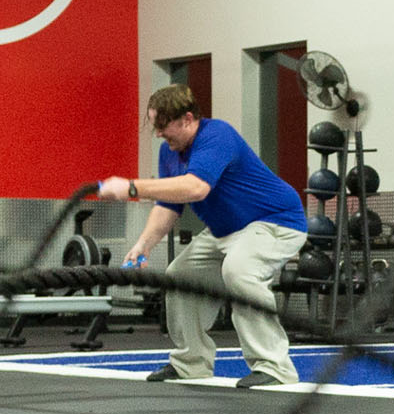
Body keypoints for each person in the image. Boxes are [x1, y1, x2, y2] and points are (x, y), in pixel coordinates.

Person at [97, 84, 308, 388]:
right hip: (226, 231)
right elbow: (169, 205)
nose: (158, 134)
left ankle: (275, 368)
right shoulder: (169, 152)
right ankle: (191, 364)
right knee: (179, 276)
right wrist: (143, 244)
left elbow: (196, 188)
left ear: (186, 119)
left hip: (275, 222)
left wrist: (131, 187)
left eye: (162, 125)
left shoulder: (217, 135)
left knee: (240, 271)